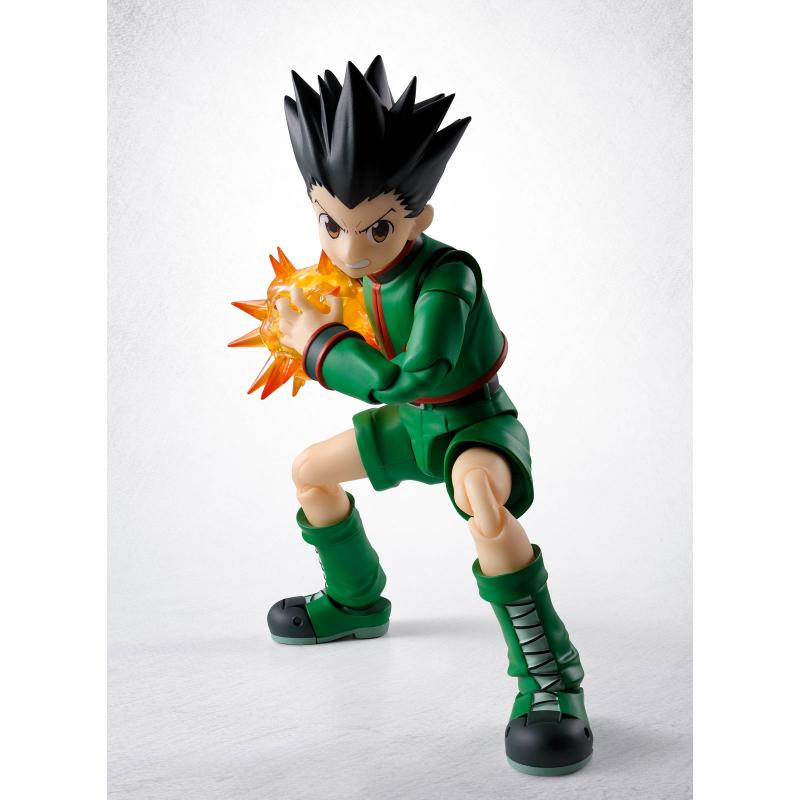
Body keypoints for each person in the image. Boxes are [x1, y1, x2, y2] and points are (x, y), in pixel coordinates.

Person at [266, 56, 593, 776]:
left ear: (418, 217)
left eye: (375, 229)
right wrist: (313, 325)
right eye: (330, 224)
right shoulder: (347, 274)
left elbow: (414, 375)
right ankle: (356, 602)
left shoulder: (450, 276)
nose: (349, 248)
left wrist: (320, 344)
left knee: (486, 510)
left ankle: (550, 679)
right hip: (409, 427)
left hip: (472, 425)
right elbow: (377, 368)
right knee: (309, 472)